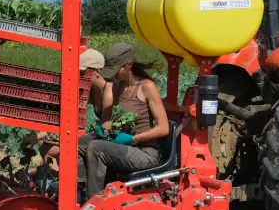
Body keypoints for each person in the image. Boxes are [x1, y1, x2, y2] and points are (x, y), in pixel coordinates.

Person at [85, 42, 170, 196]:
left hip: (145, 153)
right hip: (126, 148)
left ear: (129, 65)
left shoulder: (146, 87)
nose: (114, 75)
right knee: (81, 143)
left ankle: (94, 201)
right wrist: (105, 128)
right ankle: (78, 191)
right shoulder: (118, 86)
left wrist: (132, 138)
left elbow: (164, 128)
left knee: (96, 148)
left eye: (117, 70)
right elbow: (114, 119)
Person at [21, 48, 112, 183]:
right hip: (92, 139)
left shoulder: (108, 91)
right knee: (45, 144)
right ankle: (60, 181)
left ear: (97, 71)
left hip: (105, 142)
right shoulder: (88, 90)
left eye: (82, 73)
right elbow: (70, 118)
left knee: (63, 150)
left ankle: (77, 186)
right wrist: (39, 136)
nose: (80, 77)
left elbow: (106, 130)